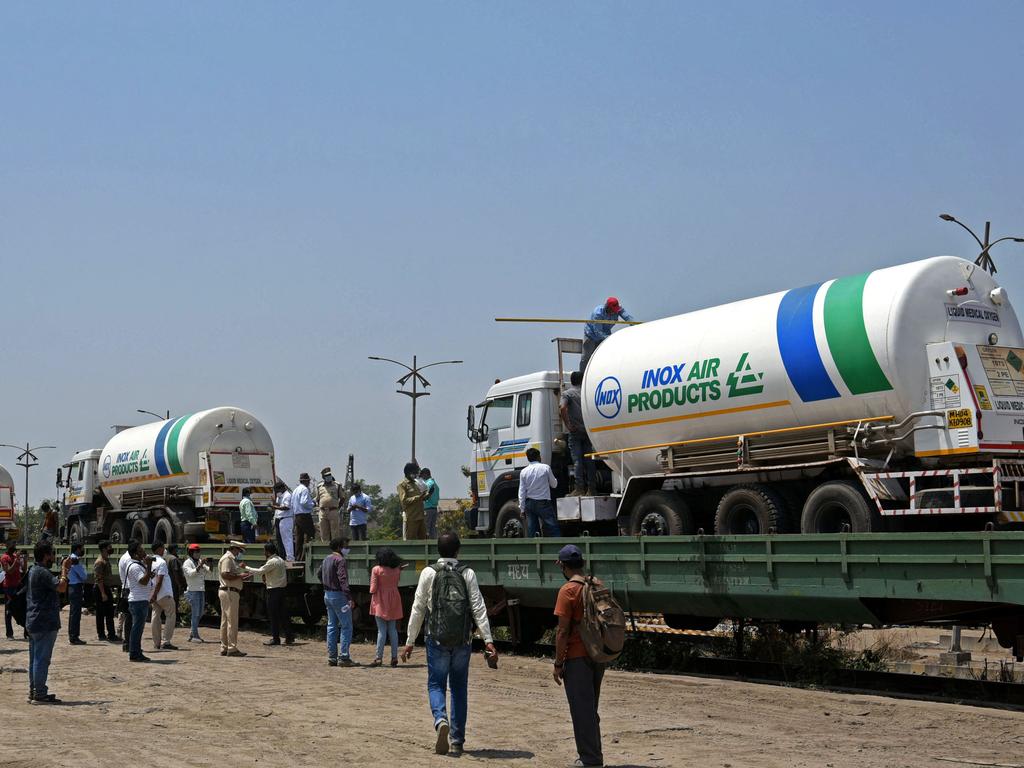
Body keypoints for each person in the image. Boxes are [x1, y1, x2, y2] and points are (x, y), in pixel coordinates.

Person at [402, 533, 498, 757]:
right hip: (462, 641)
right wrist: (489, 640)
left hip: (436, 639)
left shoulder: (428, 573)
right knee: (459, 688)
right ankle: (457, 741)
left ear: (438, 550)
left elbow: (418, 608)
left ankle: (440, 719)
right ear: (458, 551)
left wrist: (409, 641)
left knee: (436, 684)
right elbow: (478, 607)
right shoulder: (467, 573)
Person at [552, 544, 605, 767]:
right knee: (590, 707)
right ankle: (594, 753)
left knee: (581, 709)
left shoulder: (568, 591)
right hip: (598, 654)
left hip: (576, 657)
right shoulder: (596, 584)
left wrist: (558, 663)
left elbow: (562, 631)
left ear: (563, 565)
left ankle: (590, 759)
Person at [26, 539, 70, 703]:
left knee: (35, 659)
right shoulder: (42, 572)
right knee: (42, 659)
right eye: (52, 554)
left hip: (34, 620)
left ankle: (35, 691)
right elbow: (61, 587)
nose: (53, 557)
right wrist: (65, 571)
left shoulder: (33, 570)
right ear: (46, 556)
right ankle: (39, 694)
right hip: (44, 622)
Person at [242, 542, 293, 645]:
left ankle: (275, 638)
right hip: (281, 590)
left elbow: (260, 571)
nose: (263, 552)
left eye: (264, 550)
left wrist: (246, 567)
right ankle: (289, 637)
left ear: (268, 551)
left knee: (273, 615)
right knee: (283, 615)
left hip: (273, 591)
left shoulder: (272, 562)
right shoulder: (280, 560)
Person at [561, 370, 598, 496]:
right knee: (589, 460)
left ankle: (579, 489)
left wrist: (568, 425)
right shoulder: (586, 393)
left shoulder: (567, 394)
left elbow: (562, 407)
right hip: (587, 430)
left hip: (575, 431)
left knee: (577, 460)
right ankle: (592, 488)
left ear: (571, 381)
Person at [320, 536, 356, 667]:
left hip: (327, 594)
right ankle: (344, 657)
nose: (347, 549)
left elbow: (319, 573)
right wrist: (349, 597)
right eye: (345, 546)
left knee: (331, 626)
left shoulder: (326, 559)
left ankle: (332, 657)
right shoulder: (340, 560)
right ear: (339, 547)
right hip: (339, 596)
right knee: (346, 626)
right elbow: (343, 580)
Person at [580, 296, 634, 373]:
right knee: (586, 357)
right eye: (613, 311)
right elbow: (598, 332)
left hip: (605, 333)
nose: (615, 312)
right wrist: (610, 338)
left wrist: (636, 326)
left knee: (607, 355)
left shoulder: (618, 308)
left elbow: (628, 318)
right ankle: (582, 376)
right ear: (608, 308)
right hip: (591, 335)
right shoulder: (598, 314)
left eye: (616, 310)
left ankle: (603, 373)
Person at [369, 547, 403, 667]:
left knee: (381, 630)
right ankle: (394, 657)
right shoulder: (397, 570)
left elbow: (373, 588)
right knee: (393, 630)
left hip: (380, 601)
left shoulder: (376, 569)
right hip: (394, 599)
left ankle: (378, 657)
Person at [218, 540, 251, 657]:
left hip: (227, 591)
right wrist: (240, 576)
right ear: (234, 548)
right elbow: (225, 574)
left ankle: (225, 647)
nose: (239, 553)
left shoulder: (229, 558)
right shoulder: (228, 558)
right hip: (229, 592)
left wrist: (242, 577)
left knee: (225, 621)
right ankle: (232, 648)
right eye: (239, 551)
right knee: (232, 621)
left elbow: (229, 575)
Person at [124, 540, 156, 662]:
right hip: (138, 601)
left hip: (140, 600)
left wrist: (148, 572)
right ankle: (134, 653)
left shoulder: (137, 564)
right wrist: (148, 566)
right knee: (137, 628)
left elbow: (145, 580)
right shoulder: (135, 566)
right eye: (140, 549)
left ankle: (136, 651)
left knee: (137, 628)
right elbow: (142, 581)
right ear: (135, 553)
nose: (144, 551)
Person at [519, 448, 561, 538]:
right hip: (543, 503)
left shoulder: (523, 472)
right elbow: (554, 485)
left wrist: (522, 509)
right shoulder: (545, 468)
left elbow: (521, 492)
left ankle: (534, 550)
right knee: (552, 528)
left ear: (528, 458)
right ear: (538, 457)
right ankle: (557, 548)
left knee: (532, 530)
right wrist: (556, 480)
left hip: (529, 504)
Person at [148, 542, 178, 650]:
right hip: (163, 593)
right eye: (163, 548)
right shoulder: (161, 562)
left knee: (155, 616)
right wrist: (156, 593)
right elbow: (159, 580)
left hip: (153, 593)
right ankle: (166, 641)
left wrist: (152, 595)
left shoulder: (150, 562)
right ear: (159, 549)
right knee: (170, 614)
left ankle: (156, 643)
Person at [182, 544, 211, 642]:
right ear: (191, 553)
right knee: (195, 613)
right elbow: (190, 574)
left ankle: (192, 632)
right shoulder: (187, 563)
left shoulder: (199, 561)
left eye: (199, 552)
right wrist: (200, 565)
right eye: (196, 552)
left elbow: (209, 571)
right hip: (193, 591)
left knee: (200, 613)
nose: (198, 554)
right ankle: (195, 635)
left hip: (201, 589)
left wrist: (210, 564)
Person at [92, 541, 118, 642]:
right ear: (104, 549)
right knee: (101, 613)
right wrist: (103, 593)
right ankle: (102, 634)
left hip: (105, 588)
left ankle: (111, 634)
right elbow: (99, 579)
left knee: (109, 613)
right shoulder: (100, 562)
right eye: (109, 547)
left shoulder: (105, 560)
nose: (111, 549)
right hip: (100, 589)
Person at [118, 540, 141, 652]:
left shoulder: (125, 557)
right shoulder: (129, 560)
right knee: (130, 619)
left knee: (129, 618)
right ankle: (128, 643)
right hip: (129, 589)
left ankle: (128, 643)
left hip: (127, 588)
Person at [1, 541, 27, 638]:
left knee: (23, 607)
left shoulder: (16, 556)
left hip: (18, 585)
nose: (14, 547)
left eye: (14, 545)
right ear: (7, 546)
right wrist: (16, 560)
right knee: (9, 610)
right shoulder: (4, 558)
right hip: (9, 587)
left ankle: (26, 631)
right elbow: (9, 571)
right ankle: (9, 633)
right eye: (12, 545)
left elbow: (24, 570)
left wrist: (24, 560)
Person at [398, 463, 430, 540]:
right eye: (414, 472)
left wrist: (428, 495)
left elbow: (421, 498)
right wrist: (418, 497)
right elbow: (404, 500)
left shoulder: (416, 483)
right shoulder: (402, 485)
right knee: (411, 541)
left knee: (423, 541)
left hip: (421, 516)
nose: (416, 475)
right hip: (411, 518)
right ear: (409, 472)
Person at [290, 473, 316, 559]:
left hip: (297, 515)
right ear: (306, 481)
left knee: (299, 538)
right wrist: (313, 504)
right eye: (308, 481)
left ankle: (298, 557)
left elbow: (292, 503)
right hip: (304, 515)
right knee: (311, 534)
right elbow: (304, 502)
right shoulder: (305, 489)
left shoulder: (295, 490)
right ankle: (306, 556)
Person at [66, 543, 88, 645]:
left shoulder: (70, 558)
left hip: (71, 586)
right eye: (82, 548)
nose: (82, 550)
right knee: (75, 613)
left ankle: (73, 635)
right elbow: (83, 576)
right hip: (76, 587)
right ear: (78, 549)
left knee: (73, 613)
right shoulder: (75, 560)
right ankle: (74, 636)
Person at [316, 467, 344, 543]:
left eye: (329, 475)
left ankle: (336, 550)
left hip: (333, 511)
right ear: (323, 477)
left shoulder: (337, 485)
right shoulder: (319, 486)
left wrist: (337, 507)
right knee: (324, 532)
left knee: (335, 532)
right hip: (323, 512)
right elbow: (318, 499)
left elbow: (342, 498)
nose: (329, 477)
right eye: (327, 475)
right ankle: (325, 549)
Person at [273, 481, 295, 562]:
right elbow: (278, 505)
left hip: (286, 519)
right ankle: (283, 556)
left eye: (277, 490)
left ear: (282, 488)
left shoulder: (287, 495)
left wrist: (275, 507)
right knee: (280, 540)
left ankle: (290, 557)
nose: (276, 493)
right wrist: (274, 504)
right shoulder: (280, 496)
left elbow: (286, 507)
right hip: (279, 519)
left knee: (287, 539)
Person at [165, 544, 186, 626]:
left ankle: (169, 619)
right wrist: (179, 585)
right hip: (173, 585)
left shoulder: (165, 557)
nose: (178, 551)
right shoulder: (173, 559)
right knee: (174, 603)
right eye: (177, 549)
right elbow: (176, 573)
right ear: (173, 550)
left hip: (167, 585)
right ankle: (174, 621)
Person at [420, 468, 441, 538]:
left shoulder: (427, 484)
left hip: (427, 509)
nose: (422, 478)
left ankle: (425, 546)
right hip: (434, 509)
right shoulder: (435, 484)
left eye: (422, 476)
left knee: (426, 528)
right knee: (433, 529)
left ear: (425, 474)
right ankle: (433, 545)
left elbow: (423, 496)